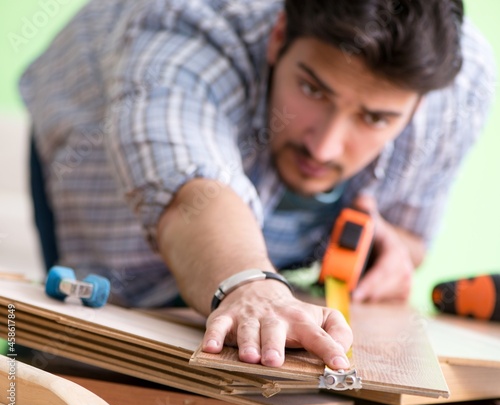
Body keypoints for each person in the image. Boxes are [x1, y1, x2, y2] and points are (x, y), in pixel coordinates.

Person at [20, 0, 495, 369]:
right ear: (280, 35)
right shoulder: (189, 18)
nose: (326, 148)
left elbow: (408, 239)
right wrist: (252, 287)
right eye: (313, 89)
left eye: (374, 117)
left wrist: (391, 257)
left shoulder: (462, 82)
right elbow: (190, 191)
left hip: (251, 255)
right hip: (99, 169)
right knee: (85, 346)